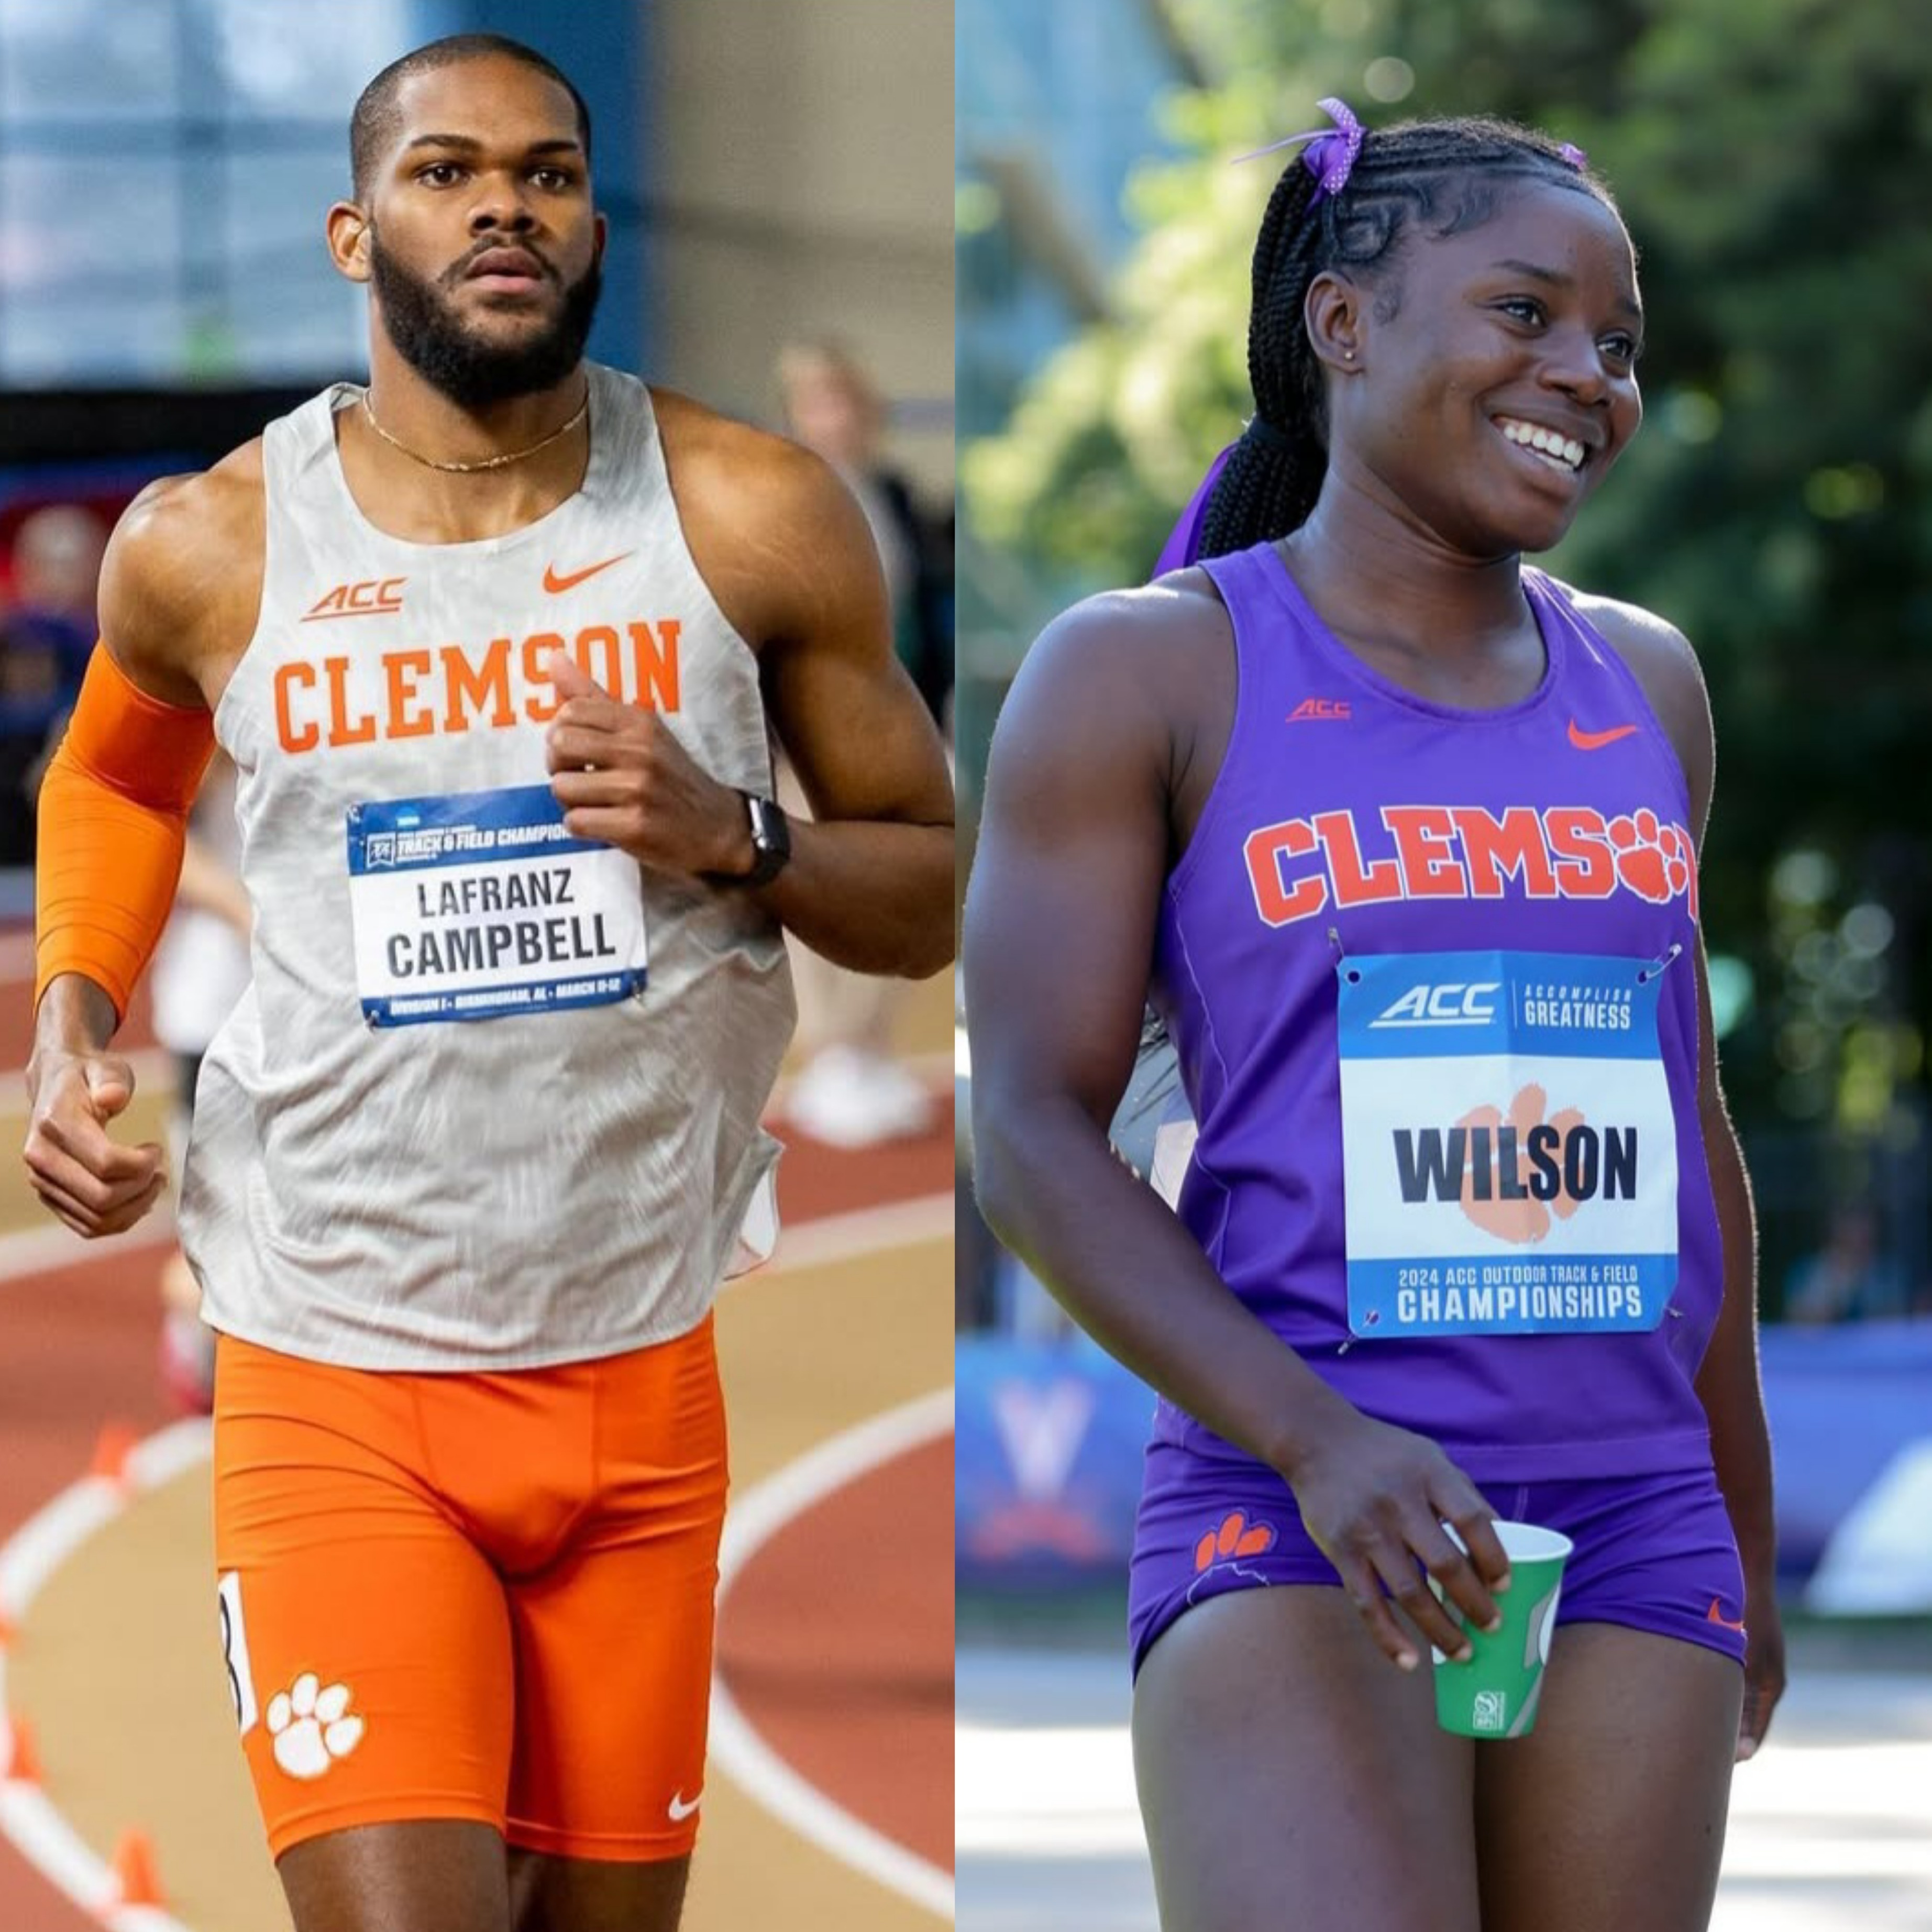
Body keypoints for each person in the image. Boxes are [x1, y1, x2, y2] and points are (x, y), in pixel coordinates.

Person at [25, 32, 953, 1932]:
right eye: (449, 173)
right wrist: (74, 1020)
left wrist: (732, 836)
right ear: (358, 235)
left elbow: (928, 891)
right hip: (334, 1361)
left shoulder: (751, 516)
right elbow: (112, 770)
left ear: (596, 220)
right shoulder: (214, 544)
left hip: (638, 1367)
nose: (503, 204)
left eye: (544, 170)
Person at [965, 104, 1783, 1932]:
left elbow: (1691, 1135)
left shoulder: (1649, 684)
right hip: (1301, 1496)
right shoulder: (1147, 668)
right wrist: (1319, 1443)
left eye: (1617, 344)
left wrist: (1738, 1518)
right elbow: (1025, 1128)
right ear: (1344, 325)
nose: (1585, 375)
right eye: (1524, 313)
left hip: (1633, 1518)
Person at [773, 340, 948, 1147]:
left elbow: (928, 608)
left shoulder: (896, 495)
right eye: (818, 404)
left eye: (845, 401)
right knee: (820, 881)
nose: (835, 418)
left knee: (910, 883)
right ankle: (831, 1053)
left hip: (901, 719)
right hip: (805, 729)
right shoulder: (780, 498)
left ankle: (873, 1047)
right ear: (800, 415)